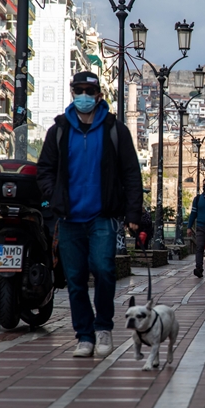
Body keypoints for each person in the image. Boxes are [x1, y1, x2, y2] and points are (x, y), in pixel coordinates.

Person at [36, 71, 143, 358]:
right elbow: (44, 169)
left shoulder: (114, 130)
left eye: (88, 90)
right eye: (77, 90)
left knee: (105, 270)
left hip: (102, 217)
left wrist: (133, 212)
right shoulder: (59, 130)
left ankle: (103, 327)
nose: (83, 95)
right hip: (70, 219)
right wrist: (54, 196)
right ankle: (84, 335)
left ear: (98, 95)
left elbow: (131, 173)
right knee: (75, 279)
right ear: (72, 93)